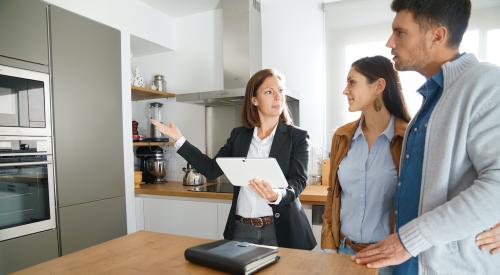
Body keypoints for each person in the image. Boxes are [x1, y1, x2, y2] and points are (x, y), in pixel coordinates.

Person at [352, 0, 500, 274]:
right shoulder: (434, 98)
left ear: (437, 35)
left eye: (400, 32)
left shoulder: (488, 85)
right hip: (408, 264)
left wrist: (409, 241)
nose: (389, 42)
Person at [151, 68, 317, 250]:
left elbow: (298, 181)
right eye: (269, 92)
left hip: (281, 232)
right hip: (242, 229)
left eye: (280, 91)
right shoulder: (239, 135)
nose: (278, 97)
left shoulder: (298, 137)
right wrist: (180, 141)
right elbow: (212, 169)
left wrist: (277, 195)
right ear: (254, 100)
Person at [321, 55, 410, 275]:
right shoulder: (342, 136)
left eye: (352, 82)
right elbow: (334, 193)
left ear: (379, 85)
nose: (345, 90)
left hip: (387, 259)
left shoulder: (407, 137)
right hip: (344, 252)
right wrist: (328, 246)